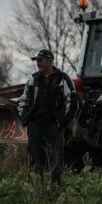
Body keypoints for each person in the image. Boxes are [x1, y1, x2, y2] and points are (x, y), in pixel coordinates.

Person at [17, 49, 78, 186]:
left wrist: (63, 122)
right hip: (35, 123)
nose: (38, 63)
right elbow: (23, 100)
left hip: (54, 124)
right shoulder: (33, 79)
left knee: (57, 156)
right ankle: (39, 185)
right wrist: (24, 119)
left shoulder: (62, 79)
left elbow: (72, 101)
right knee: (38, 156)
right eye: (37, 60)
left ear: (50, 61)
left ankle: (56, 186)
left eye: (40, 60)